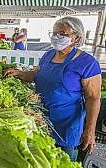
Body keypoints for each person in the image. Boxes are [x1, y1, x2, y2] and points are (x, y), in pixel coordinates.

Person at [5, 17, 101, 161]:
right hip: (40, 121)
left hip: (66, 127)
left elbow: (93, 98)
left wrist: (90, 130)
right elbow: (37, 75)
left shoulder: (87, 63)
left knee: (62, 161)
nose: (57, 37)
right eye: (54, 33)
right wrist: (19, 73)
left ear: (77, 38)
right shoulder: (48, 55)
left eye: (62, 34)